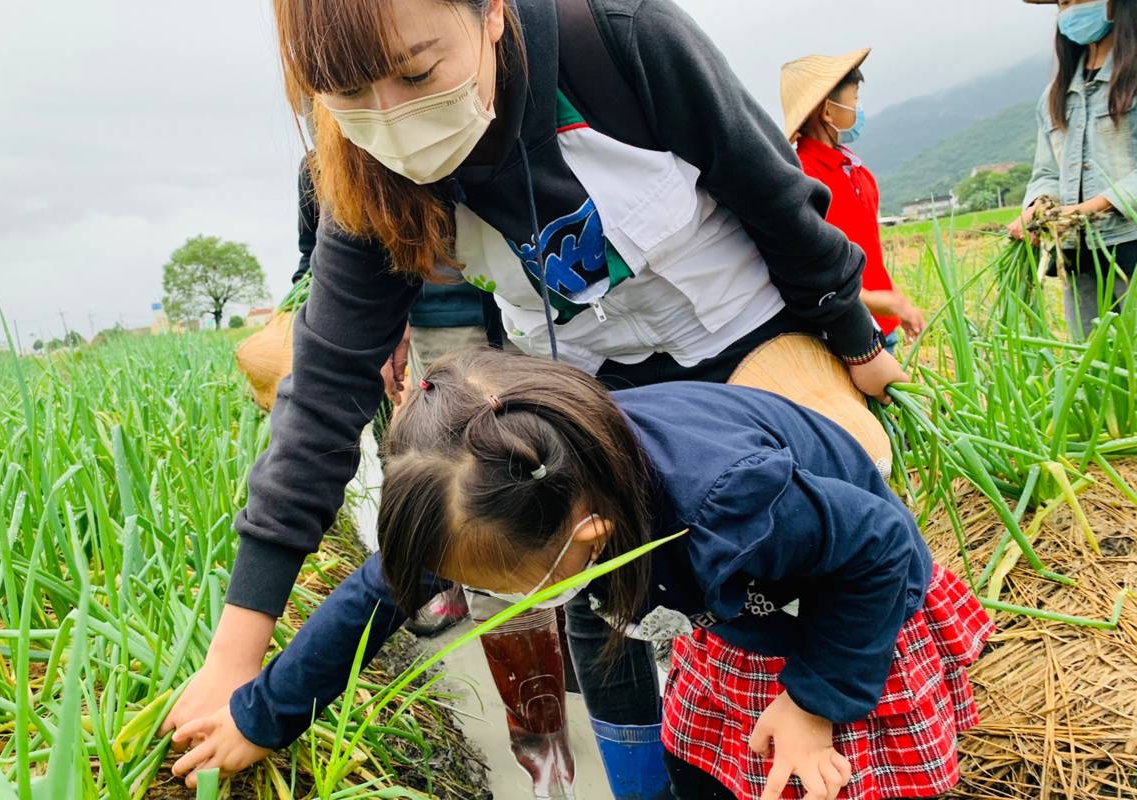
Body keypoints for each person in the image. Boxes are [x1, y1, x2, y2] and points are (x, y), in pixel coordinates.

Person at [162, 0, 909, 792]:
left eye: (418, 71)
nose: (394, 116)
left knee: (792, 554)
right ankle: (642, 780)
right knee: (595, 591)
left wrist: (854, 340)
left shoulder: (618, 39)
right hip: (583, 384)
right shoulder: (364, 170)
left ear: (490, 14)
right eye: (346, 96)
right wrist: (237, 675)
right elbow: (322, 401)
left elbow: (773, 195)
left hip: (748, 339)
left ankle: (830, 731)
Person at [169, 348, 993, 800]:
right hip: (731, 609)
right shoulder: (502, 480)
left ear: (589, 538)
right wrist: (263, 714)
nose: (486, 602)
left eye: (502, 586)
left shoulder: (728, 506)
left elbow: (880, 548)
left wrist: (815, 704)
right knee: (706, 766)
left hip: (851, 604)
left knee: (821, 777)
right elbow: (377, 593)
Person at [299, 153, 487, 636]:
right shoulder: (320, 169)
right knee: (431, 453)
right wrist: (384, 324)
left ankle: (514, 586)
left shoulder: (442, 133)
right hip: (426, 322)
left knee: (489, 449)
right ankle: (456, 581)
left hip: (500, 306)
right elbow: (313, 260)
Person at [783, 49, 925, 355]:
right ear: (827, 112)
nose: (859, 110)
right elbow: (815, 274)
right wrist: (881, 301)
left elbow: (871, 253)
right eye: (855, 101)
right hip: (846, 336)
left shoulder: (858, 173)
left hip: (883, 328)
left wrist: (897, 301)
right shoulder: (804, 181)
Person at [1012, 0, 1137, 338]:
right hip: (1078, 252)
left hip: (1130, 243)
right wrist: (1037, 210)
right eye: (1064, 3)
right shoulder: (1055, 95)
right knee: (1092, 358)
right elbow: (1046, 172)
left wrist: (1091, 207)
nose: (1070, 10)